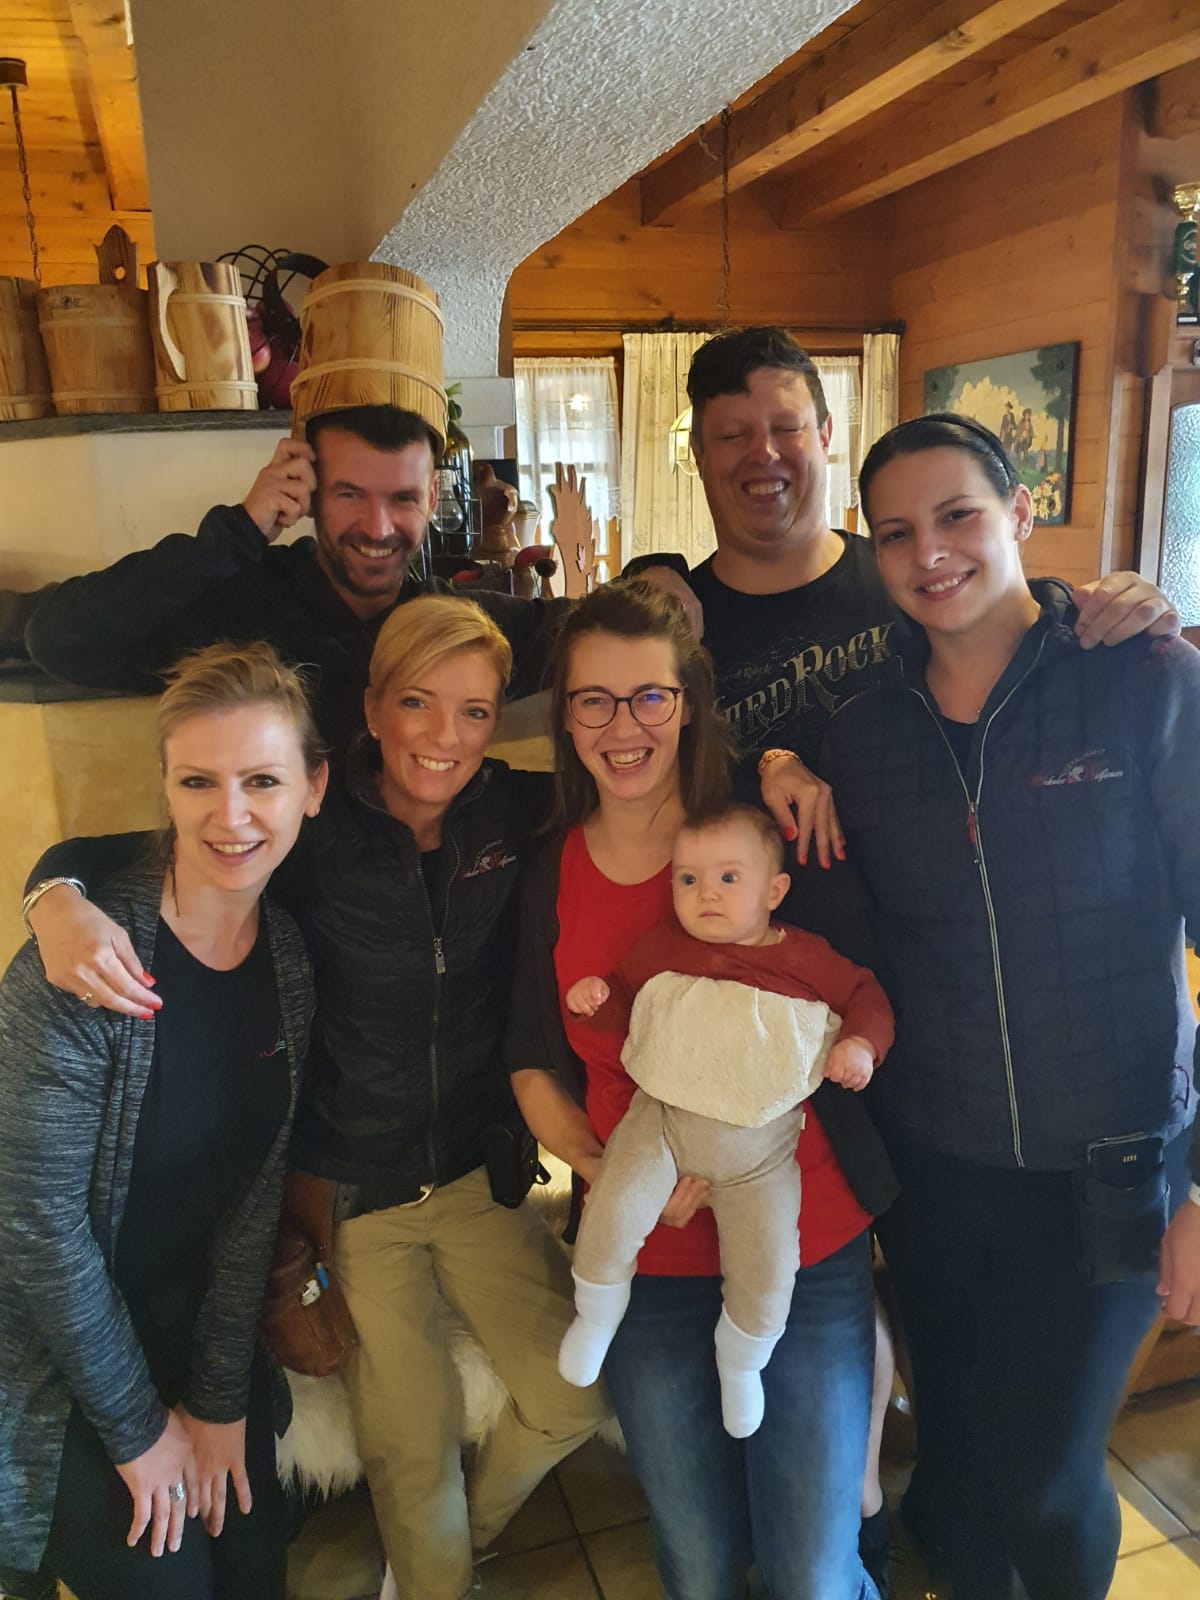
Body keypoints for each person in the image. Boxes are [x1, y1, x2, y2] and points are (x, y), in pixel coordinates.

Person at [23, 596, 608, 1600]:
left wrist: (774, 765)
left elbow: (647, 781)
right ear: (370, 711)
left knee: (573, 1395)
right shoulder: (298, 841)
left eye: (475, 710)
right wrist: (52, 894)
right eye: (416, 701)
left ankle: (459, 1543)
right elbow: (134, 852)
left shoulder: (503, 818)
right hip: (347, 1196)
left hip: (473, 1170)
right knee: (405, 1452)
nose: (445, 735)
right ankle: (432, 1577)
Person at [823, 412, 1200, 1600]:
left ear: (1021, 511)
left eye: (957, 516)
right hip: (937, 1170)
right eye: (896, 533)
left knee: (1044, 1474)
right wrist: (779, 769)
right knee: (959, 1459)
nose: (929, 552)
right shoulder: (862, 726)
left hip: (1114, 1167)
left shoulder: (1142, 677)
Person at [507, 580, 894, 1600]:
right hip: (646, 1258)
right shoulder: (548, 870)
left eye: (650, 696)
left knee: (810, 1570)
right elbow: (531, 1056)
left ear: (687, 704)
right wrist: (607, 1168)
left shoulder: (768, 836)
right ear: (564, 717)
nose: (623, 726)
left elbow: (855, 1002)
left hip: (801, 1242)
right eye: (593, 700)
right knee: (698, 1562)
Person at [0, 642, 326, 1600]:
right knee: (170, 1579)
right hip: (46, 1344)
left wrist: (219, 1399)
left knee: (253, 1566)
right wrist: (139, 1430)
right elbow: (37, 1229)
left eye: (262, 781)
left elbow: (252, 1198)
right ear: (167, 790)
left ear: (312, 788)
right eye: (198, 782)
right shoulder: (82, 968)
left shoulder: (288, 960)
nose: (231, 816)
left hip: (182, 1321)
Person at [560, 802, 893, 1440]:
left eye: (728, 878)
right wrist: (595, 1000)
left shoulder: (805, 956)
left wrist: (859, 1045)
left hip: (760, 1149)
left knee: (769, 1261)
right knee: (614, 1206)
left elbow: (866, 997)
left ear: (775, 891)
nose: (705, 893)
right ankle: (597, 1312)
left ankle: (743, 1361)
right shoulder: (663, 946)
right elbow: (623, 1007)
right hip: (660, 1122)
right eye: (688, 879)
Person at [23, 405, 565, 745]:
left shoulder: (458, 623)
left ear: (429, 499)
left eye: (402, 498)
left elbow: (588, 630)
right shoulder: (235, 606)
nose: (378, 527)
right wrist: (237, 530)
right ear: (308, 494)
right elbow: (58, 640)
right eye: (349, 494)